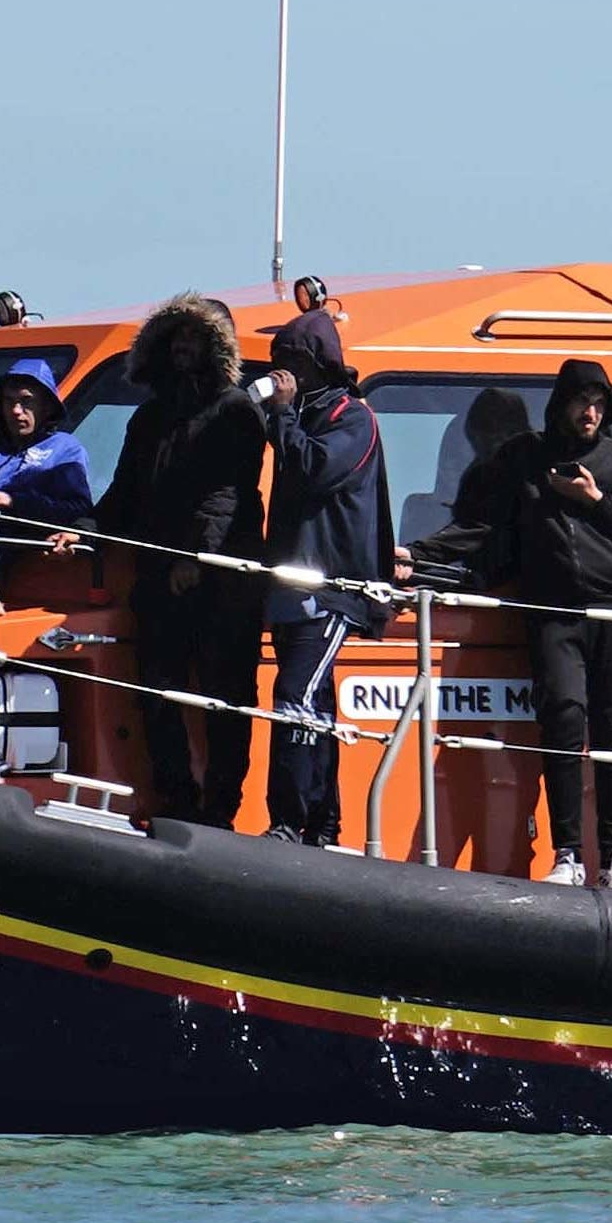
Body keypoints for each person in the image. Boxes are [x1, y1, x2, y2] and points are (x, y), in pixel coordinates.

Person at [452, 358, 612, 889]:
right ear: (560, 403)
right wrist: (414, 554)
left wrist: (595, 501)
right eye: (581, 402)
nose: (590, 413)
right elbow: (482, 526)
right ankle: (567, 852)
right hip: (553, 609)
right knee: (563, 718)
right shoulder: (525, 458)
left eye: (599, 404)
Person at [91, 297, 266, 831]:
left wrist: (199, 556)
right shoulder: (149, 417)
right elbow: (124, 493)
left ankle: (221, 808)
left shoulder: (236, 409)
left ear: (218, 347)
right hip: (157, 571)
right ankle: (177, 795)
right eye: (178, 337)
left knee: (227, 698)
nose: (185, 347)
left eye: (196, 338)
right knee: (158, 691)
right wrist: (84, 533)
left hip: (223, 578)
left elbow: (230, 491)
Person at [255, 309, 395, 845]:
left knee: (294, 692)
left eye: (291, 362)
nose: (282, 373)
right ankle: (323, 824)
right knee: (316, 702)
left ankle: (287, 820)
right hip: (292, 586)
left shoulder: (351, 417)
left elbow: (315, 471)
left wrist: (284, 415)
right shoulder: (298, 419)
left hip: (332, 588)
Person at [0, 358, 95, 527]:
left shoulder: (66, 450)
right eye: (8, 401)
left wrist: (13, 502)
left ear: (47, 406)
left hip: (14, 548)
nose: (16, 410)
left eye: (26, 401)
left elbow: (78, 508)